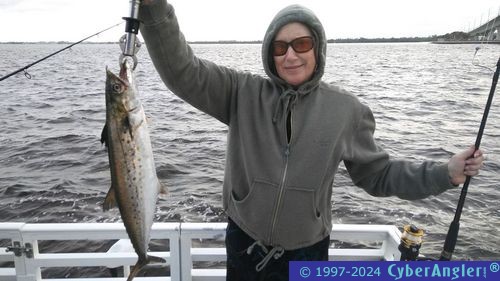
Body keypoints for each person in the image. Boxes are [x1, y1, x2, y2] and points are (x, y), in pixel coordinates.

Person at [138, 1, 485, 280]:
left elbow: (378, 175)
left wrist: (445, 173)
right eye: (280, 47)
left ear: (317, 49)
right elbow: (182, 71)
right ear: (269, 54)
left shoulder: (346, 110)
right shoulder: (240, 92)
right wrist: (154, 8)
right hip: (245, 242)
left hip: (309, 248)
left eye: (301, 44)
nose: (291, 55)